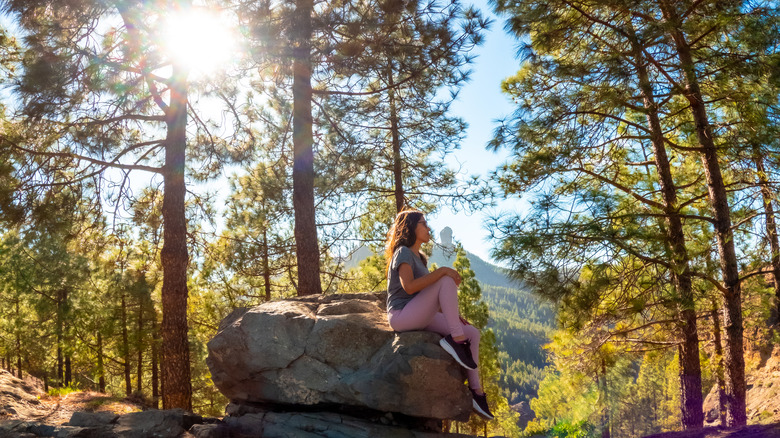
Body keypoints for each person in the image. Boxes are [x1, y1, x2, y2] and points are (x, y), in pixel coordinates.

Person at [385, 209, 494, 420]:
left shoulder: (420, 257)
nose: (428, 228)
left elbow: (431, 297)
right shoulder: (403, 252)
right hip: (401, 316)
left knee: (473, 332)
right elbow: (409, 288)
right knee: (445, 279)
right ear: (411, 227)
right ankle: (456, 340)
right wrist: (443, 271)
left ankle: (476, 393)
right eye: (424, 224)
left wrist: (455, 318)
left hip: (418, 314)